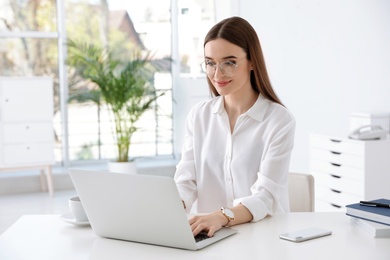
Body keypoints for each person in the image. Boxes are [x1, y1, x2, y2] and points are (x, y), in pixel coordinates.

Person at [174, 16, 296, 238]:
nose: (217, 74)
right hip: (210, 236)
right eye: (210, 63)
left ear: (252, 62)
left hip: (264, 237)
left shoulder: (278, 120)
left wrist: (221, 216)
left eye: (229, 62)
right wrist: (173, 206)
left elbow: (265, 196)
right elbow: (186, 180)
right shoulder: (199, 116)